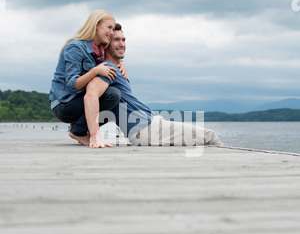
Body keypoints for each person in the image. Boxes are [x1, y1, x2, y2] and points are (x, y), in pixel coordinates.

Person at [86, 24, 224, 147]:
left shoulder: (116, 69)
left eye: (123, 40)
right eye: (116, 40)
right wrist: (94, 134)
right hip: (144, 130)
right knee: (209, 136)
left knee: (206, 138)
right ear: (106, 45)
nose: (121, 44)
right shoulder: (106, 70)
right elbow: (91, 95)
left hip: (152, 123)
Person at [49, 10, 126, 148]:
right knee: (112, 95)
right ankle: (79, 131)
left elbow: (111, 60)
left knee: (115, 95)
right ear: (96, 25)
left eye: (112, 28)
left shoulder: (99, 50)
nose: (111, 32)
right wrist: (95, 70)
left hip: (78, 99)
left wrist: (121, 64)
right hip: (63, 104)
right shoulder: (75, 47)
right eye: (109, 27)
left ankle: (81, 130)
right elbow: (72, 85)